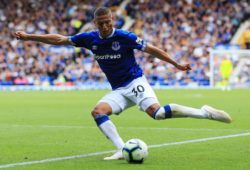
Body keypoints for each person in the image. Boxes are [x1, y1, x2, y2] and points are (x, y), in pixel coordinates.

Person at [14, 7, 232, 160]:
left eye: (109, 22)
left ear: (112, 20)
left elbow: (152, 49)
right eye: (102, 23)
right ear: (95, 23)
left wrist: (175, 63)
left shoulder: (125, 36)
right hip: (118, 89)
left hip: (135, 81)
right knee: (98, 111)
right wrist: (29, 36)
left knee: (157, 114)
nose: (106, 26)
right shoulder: (90, 38)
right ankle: (122, 149)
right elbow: (60, 39)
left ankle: (204, 112)